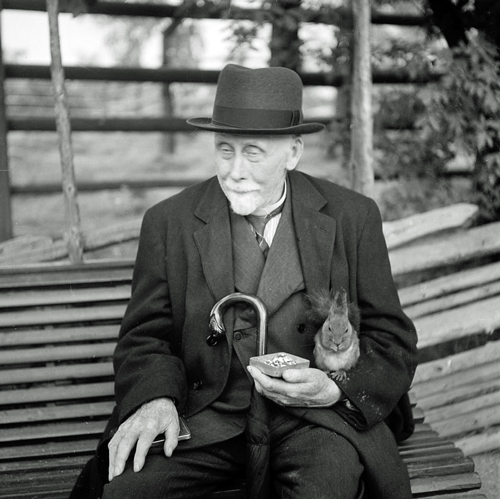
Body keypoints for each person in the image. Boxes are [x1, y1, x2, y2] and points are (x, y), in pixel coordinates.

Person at [71, 64, 418, 499]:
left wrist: (334, 387)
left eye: (252, 152)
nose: (234, 170)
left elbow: (393, 339)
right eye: (224, 150)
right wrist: (154, 399)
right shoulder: (169, 222)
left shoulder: (353, 217)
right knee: (127, 491)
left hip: (316, 420)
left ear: (292, 152)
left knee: (327, 487)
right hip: (204, 416)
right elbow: (145, 337)